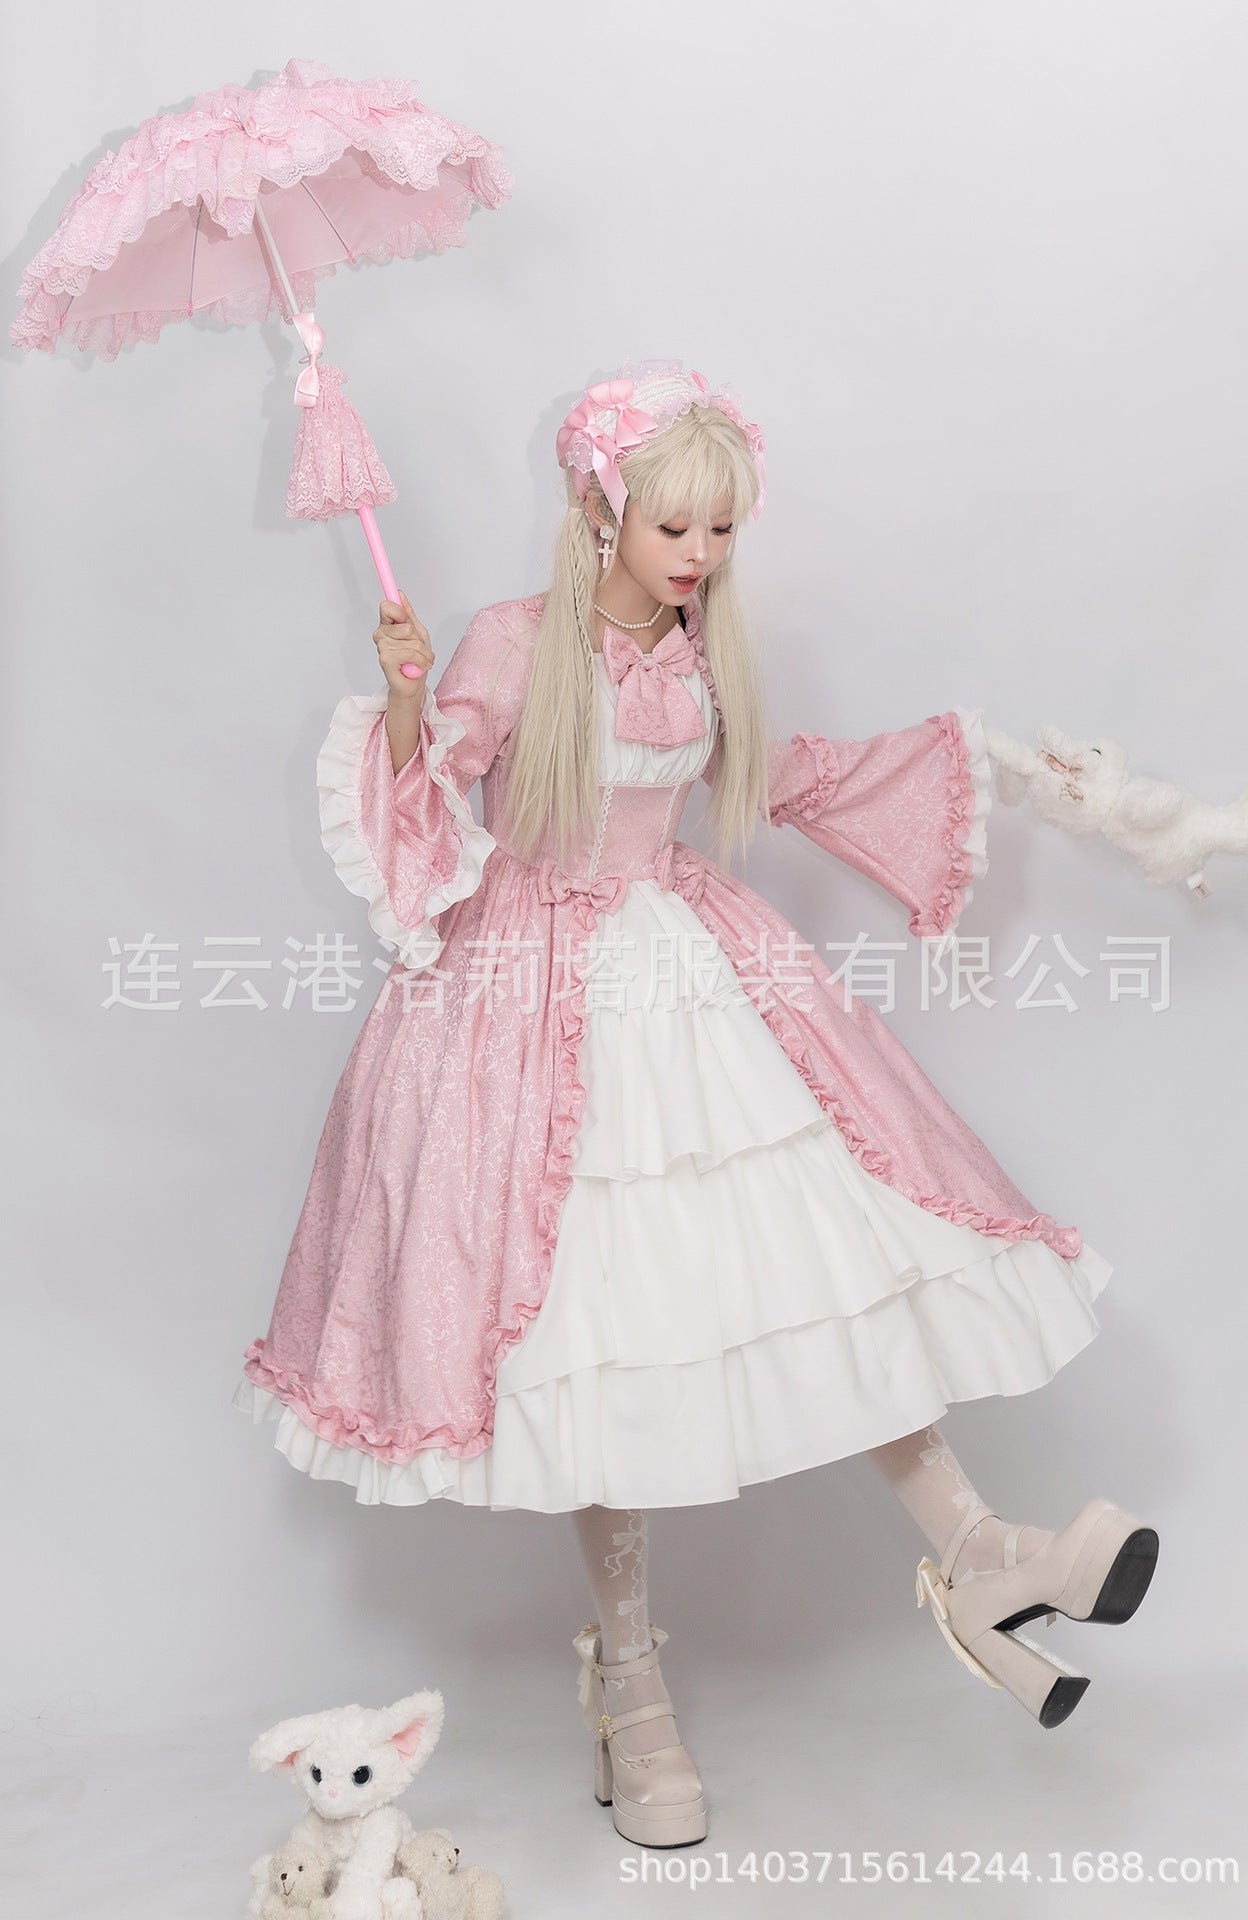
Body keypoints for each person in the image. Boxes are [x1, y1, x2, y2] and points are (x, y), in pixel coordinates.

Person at [233, 359, 1159, 1849]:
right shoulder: (513, 642)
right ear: (600, 505)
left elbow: (784, 777)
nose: (701, 555)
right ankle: (630, 1678)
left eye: (723, 530)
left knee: (834, 1255)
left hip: (693, 971)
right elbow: (428, 801)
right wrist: (408, 698)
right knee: (599, 1335)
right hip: (532, 999)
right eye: (676, 525)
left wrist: (975, 764)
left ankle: (983, 1552)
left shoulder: (701, 658)